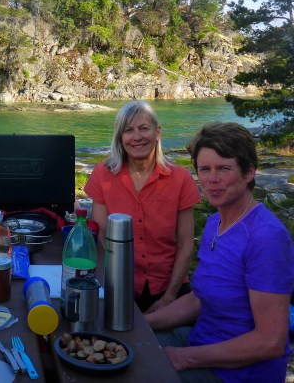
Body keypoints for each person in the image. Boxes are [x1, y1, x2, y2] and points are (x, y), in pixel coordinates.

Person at [145, 122, 294, 382]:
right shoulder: (216, 223)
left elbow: (271, 340)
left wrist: (185, 358)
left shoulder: (265, 237)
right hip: (200, 341)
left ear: (249, 172)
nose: (212, 180)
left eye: (224, 169)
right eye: (204, 169)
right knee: (124, 345)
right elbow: (199, 299)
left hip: (237, 373)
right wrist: (142, 324)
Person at [84, 100, 201, 313]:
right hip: (118, 285)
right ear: (120, 137)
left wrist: (169, 298)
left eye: (144, 128)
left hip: (170, 286)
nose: (137, 137)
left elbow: (185, 243)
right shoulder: (102, 174)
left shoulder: (181, 179)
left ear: (157, 132)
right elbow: (102, 237)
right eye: (128, 130)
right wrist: (115, 289)